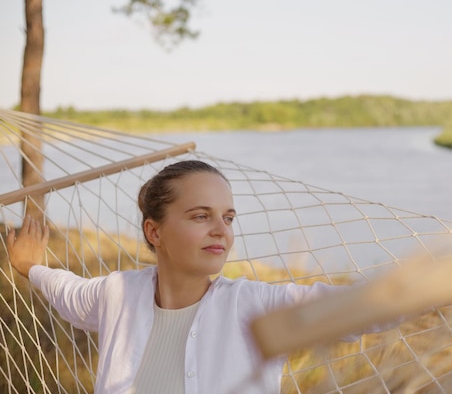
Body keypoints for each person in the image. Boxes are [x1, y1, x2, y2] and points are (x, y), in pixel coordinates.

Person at [6, 160, 363, 394]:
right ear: (154, 232)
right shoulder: (118, 294)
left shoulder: (257, 305)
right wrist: (30, 267)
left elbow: (361, 308)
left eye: (228, 218)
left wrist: (417, 287)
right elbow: (68, 291)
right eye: (200, 216)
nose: (221, 230)